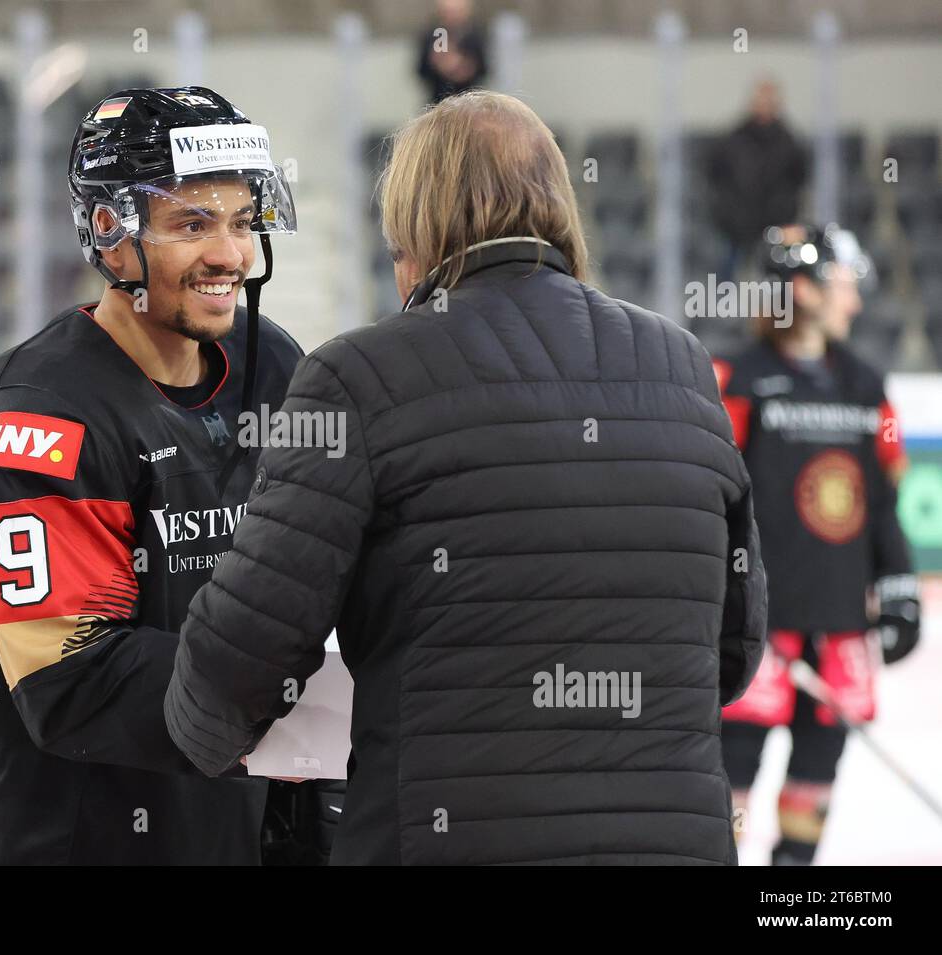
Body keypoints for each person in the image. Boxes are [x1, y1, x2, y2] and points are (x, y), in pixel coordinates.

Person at [164, 90, 769, 866]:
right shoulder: (682, 366)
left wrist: (193, 742)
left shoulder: (361, 377)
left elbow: (245, 651)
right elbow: (733, 648)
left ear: (415, 233)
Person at [0, 86, 306, 865]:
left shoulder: (274, 370)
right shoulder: (39, 414)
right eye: (192, 223)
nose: (230, 255)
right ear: (110, 232)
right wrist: (299, 704)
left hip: (214, 821)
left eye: (240, 220)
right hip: (57, 839)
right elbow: (72, 680)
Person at [715, 223, 920, 865]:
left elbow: (883, 502)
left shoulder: (866, 385)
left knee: (815, 779)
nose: (854, 303)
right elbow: (715, 497)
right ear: (800, 290)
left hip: (837, 630)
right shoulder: (738, 380)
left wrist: (899, 586)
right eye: (842, 286)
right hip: (758, 632)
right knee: (732, 784)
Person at [709, 79, 808, 281]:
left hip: (777, 227)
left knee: (777, 285)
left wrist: (784, 211)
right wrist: (729, 212)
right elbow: (715, 174)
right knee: (724, 285)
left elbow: (799, 179)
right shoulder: (734, 140)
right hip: (736, 229)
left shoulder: (789, 142)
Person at [416, 0, 488, 104]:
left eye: (456, 11)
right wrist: (436, 64)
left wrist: (464, 68)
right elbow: (421, 70)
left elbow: (483, 70)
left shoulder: (475, 37)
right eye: (448, 12)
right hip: (438, 101)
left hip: (469, 103)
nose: (452, 16)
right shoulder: (431, 36)